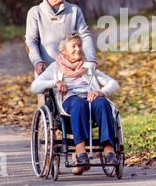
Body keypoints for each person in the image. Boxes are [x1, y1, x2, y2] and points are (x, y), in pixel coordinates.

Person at [31, 32, 120, 175]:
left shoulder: (88, 67)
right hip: (70, 104)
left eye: (79, 46)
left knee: (103, 102)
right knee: (79, 103)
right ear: (63, 50)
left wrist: (100, 92)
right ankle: (80, 151)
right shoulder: (55, 67)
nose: (78, 49)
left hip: (91, 101)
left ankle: (109, 150)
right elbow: (35, 86)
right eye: (73, 46)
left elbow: (113, 83)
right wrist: (55, 82)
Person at [25, 0, 97, 106]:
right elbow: (31, 41)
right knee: (46, 112)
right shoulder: (36, 13)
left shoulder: (74, 11)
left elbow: (85, 36)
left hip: (74, 72)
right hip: (48, 73)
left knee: (80, 106)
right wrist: (37, 62)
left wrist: (92, 59)